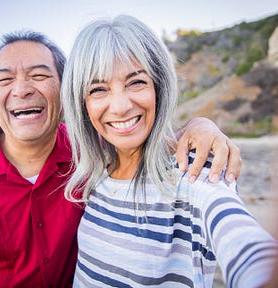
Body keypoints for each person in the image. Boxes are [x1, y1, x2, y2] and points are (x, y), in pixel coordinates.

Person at [0, 30, 241, 287]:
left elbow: (139, 133)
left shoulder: (96, 153)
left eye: (39, 75)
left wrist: (200, 125)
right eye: (5, 79)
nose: (21, 89)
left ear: (64, 89)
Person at [61, 15, 278, 287]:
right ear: (82, 104)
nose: (119, 106)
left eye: (136, 82)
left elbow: (245, 245)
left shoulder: (194, 173)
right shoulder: (95, 177)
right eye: (98, 89)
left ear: (159, 88)